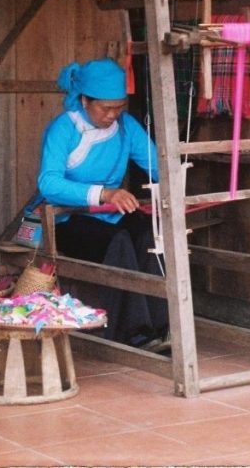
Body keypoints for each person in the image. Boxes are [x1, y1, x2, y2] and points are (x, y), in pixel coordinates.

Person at [35, 57, 168, 348]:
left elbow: (158, 165)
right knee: (119, 241)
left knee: (147, 234)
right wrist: (105, 194)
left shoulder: (126, 126)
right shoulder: (64, 129)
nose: (112, 115)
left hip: (107, 214)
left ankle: (163, 327)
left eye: (119, 107)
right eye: (105, 108)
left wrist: (173, 181)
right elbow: (49, 183)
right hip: (67, 218)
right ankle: (135, 333)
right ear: (84, 100)